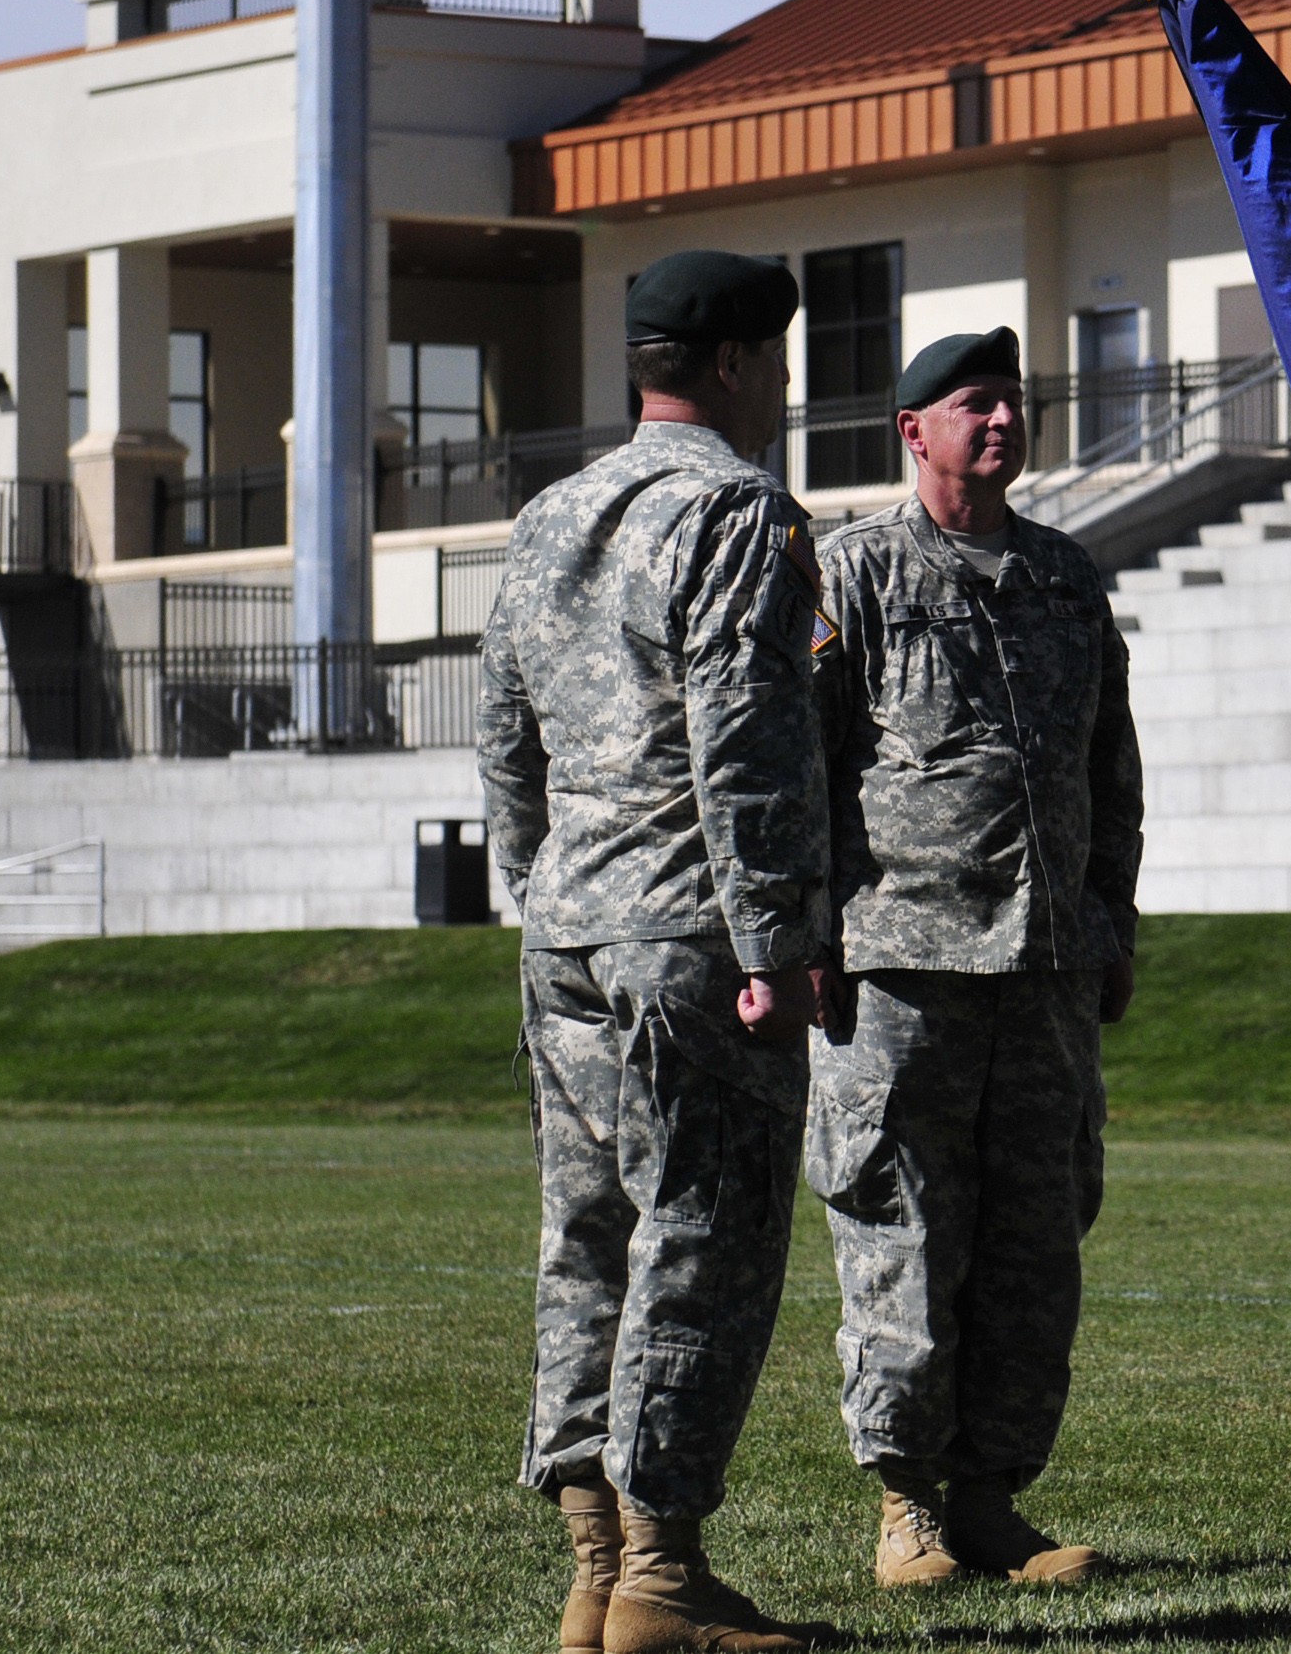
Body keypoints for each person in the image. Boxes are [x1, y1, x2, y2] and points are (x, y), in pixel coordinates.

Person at [480, 249, 833, 1654]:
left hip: (568, 925)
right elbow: (745, 740)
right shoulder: (739, 510)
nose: (788, 386)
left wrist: (530, 876)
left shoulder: (552, 512)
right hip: (688, 933)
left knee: (588, 1248)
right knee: (707, 1240)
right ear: (740, 362)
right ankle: (664, 1581)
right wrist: (776, 935)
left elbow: (502, 723)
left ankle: (594, 1571)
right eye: (782, 359)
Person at [810, 326, 1143, 1590]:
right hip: (900, 966)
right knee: (902, 1228)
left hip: (1048, 968)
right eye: (973, 403)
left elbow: (1113, 771)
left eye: (1013, 399)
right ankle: (907, 1507)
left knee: (1036, 1238)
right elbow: (804, 765)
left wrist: (1112, 919)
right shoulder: (856, 574)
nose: (1001, 419)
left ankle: (992, 1497)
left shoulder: (1065, 577)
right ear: (914, 431)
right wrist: (805, 936)